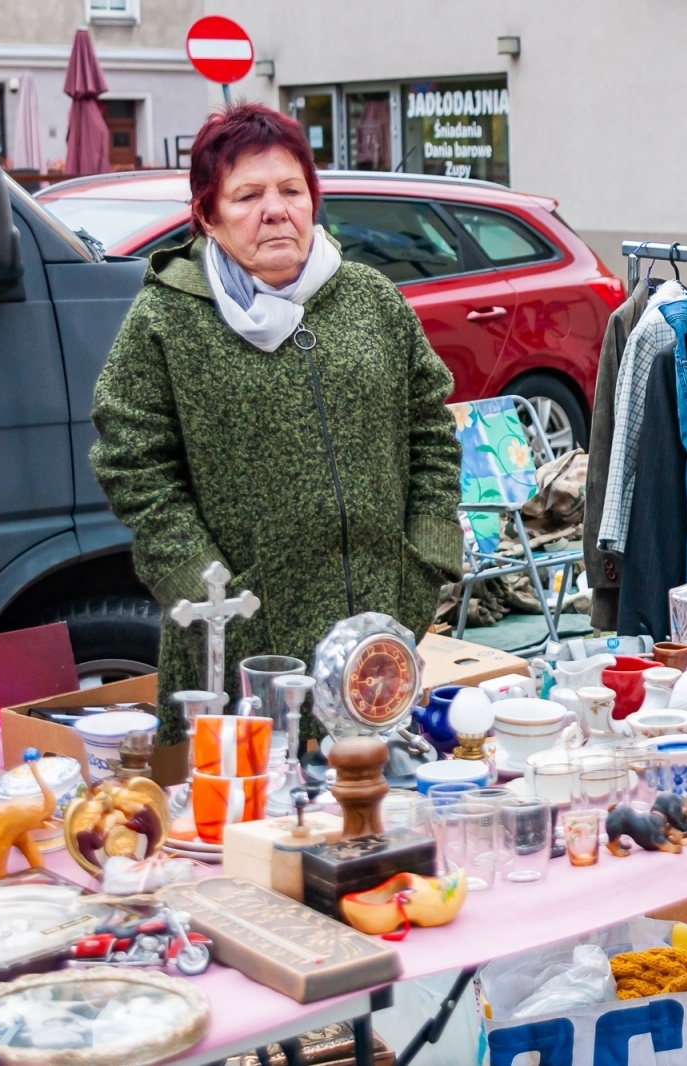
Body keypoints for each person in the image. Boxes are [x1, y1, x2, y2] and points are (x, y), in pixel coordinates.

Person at [91, 103, 463, 742]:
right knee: (251, 822)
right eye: (247, 195)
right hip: (241, 640)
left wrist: (426, 551)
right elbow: (131, 461)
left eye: (291, 190)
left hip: (376, 636)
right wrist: (203, 585)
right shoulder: (165, 321)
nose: (275, 209)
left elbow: (429, 426)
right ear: (208, 215)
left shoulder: (371, 300)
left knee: (374, 814)